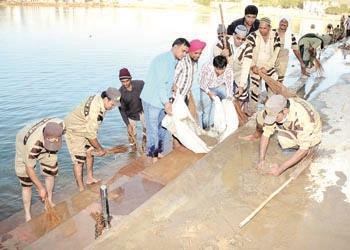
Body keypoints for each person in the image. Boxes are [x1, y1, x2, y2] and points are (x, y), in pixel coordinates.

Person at [140, 38, 190, 163]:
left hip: (162, 99)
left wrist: (172, 84)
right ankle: (153, 155)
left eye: (186, 52)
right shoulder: (163, 60)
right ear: (176, 47)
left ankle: (158, 151)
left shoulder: (173, 60)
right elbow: (161, 84)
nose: (184, 55)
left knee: (162, 127)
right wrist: (167, 103)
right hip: (152, 100)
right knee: (152, 130)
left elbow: (166, 79)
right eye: (183, 51)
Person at [64, 87, 121, 191]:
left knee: (90, 152)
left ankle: (90, 178)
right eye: (112, 104)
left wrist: (96, 147)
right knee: (79, 160)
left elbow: (91, 130)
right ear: (106, 99)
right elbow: (91, 136)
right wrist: (101, 149)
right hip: (74, 130)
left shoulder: (101, 100)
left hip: (85, 125)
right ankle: (81, 188)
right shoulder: (94, 111)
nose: (112, 108)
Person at [255, 95, 321, 176]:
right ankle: (294, 150)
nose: (274, 120)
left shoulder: (303, 118)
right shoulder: (277, 108)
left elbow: (304, 148)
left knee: (303, 147)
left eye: (276, 117)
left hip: (313, 131)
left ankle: (310, 148)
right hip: (293, 123)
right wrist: (261, 159)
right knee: (282, 140)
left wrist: (280, 169)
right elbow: (266, 133)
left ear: (285, 111)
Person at [15, 118, 64, 221]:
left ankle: (49, 201)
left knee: (50, 172)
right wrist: (40, 188)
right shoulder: (33, 145)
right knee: (26, 183)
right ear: (45, 137)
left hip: (43, 141)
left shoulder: (61, 126)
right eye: (51, 140)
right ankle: (28, 215)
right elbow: (29, 169)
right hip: (23, 143)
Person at [246, 17, 281, 111]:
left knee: (274, 82)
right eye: (260, 28)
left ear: (269, 27)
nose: (262, 30)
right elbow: (248, 52)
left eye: (264, 28)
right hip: (255, 66)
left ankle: (270, 108)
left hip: (269, 65)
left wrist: (267, 67)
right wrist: (253, 66)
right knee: (254, 90)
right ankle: (252, 110)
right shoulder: (252, 36)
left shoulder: (275, 35)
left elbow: (275, 53)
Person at [200, 55, 234, 129]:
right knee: (206, 110)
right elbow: (202, 84)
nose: (219, 71)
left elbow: (229, 85)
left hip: (218, 86)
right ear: (214, 66)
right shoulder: (207, 67)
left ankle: (216, 125)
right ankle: (206, 128)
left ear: (225, 66)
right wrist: (209, 93)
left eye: (222, 69)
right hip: (206, 88)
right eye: (217, 69)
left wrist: (229, 97)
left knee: (223, 103)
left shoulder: (229, 70)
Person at [118, 68, 146, 152]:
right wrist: (128, 125)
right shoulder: (120, 93)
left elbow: (149, 94)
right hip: (130, 115)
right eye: (123, 82)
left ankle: (144, 148)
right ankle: (133, 152)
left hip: (142, 111)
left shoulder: (140, 84)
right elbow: (122, 111)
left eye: (127, 81)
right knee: (131, 135)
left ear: (131, 78)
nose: (125, 83)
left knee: (147, 131)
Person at [274, 18, 307, 83]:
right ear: (279, 23)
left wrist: (301, 62)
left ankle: (277, 92)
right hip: (271, 60)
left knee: (279, 80)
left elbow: (296, 50)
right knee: (269, 80)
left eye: (285, 22)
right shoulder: (272, 32)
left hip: (282, 62)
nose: (283, 23)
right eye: (281, 21)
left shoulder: (290, 36)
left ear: (288, 25)